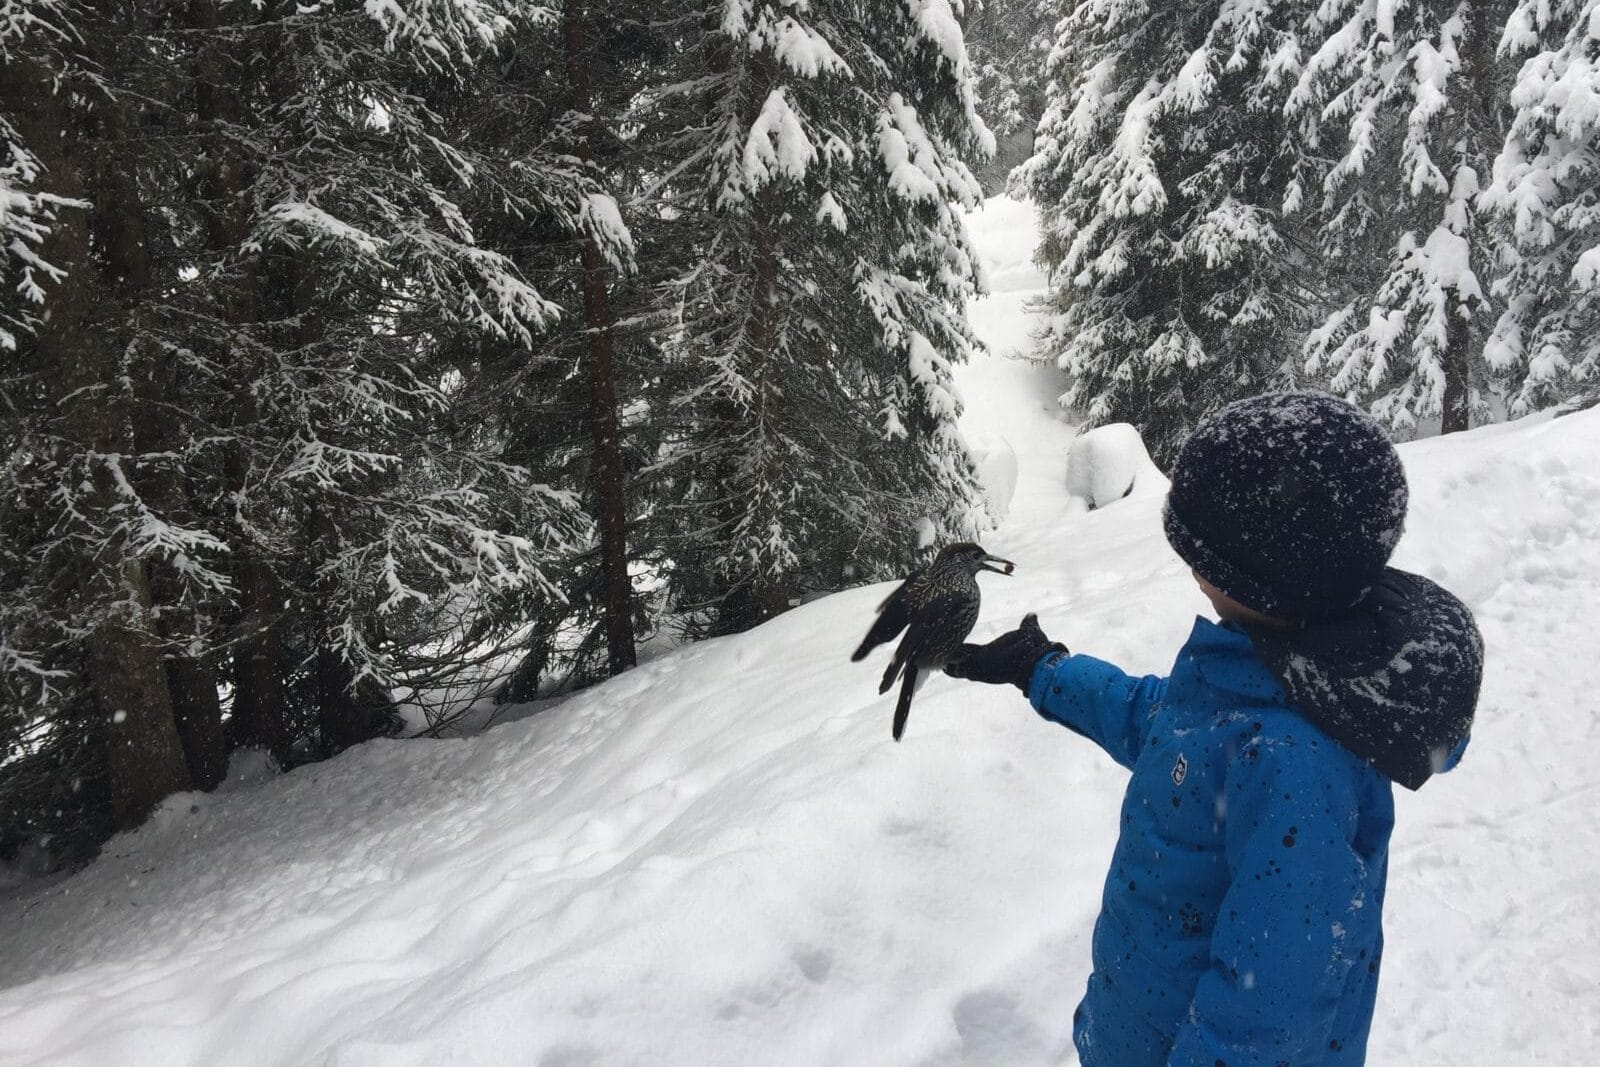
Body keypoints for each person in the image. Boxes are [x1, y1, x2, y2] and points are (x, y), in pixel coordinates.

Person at [945, 393, 1483, 1066]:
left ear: (1268, 572)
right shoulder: (1263, 672)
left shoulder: (1291, 760)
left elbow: (1266, 1014)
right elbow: (1166, 729)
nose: (1188, 561)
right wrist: (1044, 669)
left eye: (1201, 547)